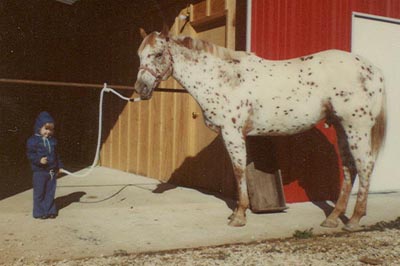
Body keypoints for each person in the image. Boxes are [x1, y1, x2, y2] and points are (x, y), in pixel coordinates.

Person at [26, 111, 63, 219]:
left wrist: (59, 166)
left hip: (51, 172)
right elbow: (30, 154)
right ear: (39, 128)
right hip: (39, 172)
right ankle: (39, 212)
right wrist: (39, 160)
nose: (48, 132)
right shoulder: (33, 141)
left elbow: (57, 155)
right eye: (46, 129)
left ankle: (50, 210)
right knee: (39, 193)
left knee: (50, 192)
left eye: (51, 129)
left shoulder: (53, 141)